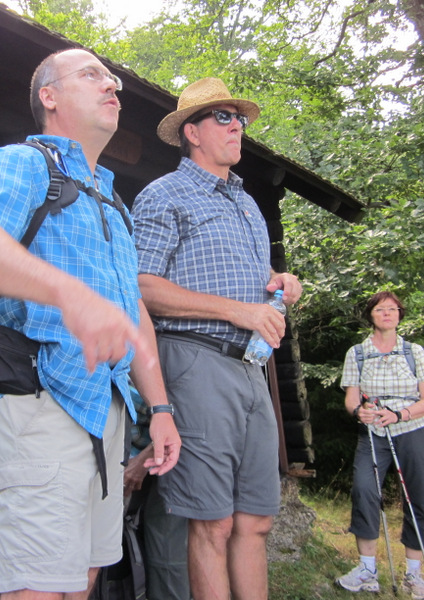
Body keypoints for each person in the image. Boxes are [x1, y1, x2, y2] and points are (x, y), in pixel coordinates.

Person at [0, 48, 181, 600]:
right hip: (40, 398)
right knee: (41, 587)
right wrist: (70, 294)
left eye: (113, 79)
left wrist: (161, 409)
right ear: (48, 97)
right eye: (91, 75)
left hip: (110, 412)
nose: (111, 86)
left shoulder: (114, 203)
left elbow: (133, 310)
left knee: (86, 576)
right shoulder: (20, 163)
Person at [131, 77, 302, 600]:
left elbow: (247, 277)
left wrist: (278, 280)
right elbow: (140, 287)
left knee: (255, 522)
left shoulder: (247, 203)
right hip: (196, 361)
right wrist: (239, 311)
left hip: (252, 370)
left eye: (240, 119)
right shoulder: (163, 194)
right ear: (192, 132)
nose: (237, 128)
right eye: (223, 118)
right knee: (213, 524)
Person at [337, 291, 424, 600]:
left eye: (393, 309)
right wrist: (359, 411)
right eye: (381, 309)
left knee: (416, 496)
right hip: (373, 433)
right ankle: (367, 570)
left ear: (399, 315)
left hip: (412, 429)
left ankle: (414, 576)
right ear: (371, 315)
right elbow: (352, 398)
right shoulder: (357, 353)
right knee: (364, 490)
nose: (387, 313)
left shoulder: (414, 351)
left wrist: (399, 414)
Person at [124, 387, 191, 600]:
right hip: (127, 454)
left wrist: (146, 458)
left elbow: (187, 408)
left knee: (168, 552)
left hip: (169, 455)